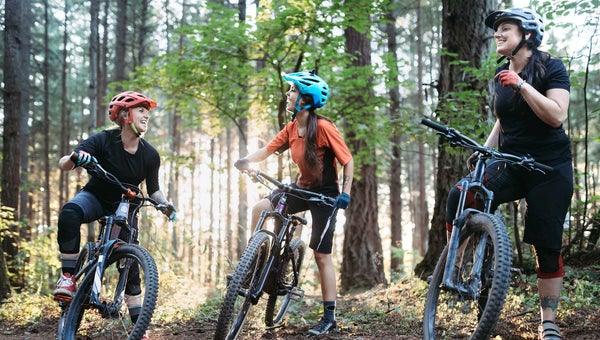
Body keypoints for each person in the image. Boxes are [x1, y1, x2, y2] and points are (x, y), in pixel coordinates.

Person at [445, 8, 572, 340]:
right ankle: (454, 271)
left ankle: (548, 322)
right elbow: (505, 120)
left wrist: (522, 85)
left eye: (505, 29)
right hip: (511, 161)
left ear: (526, 35)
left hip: (550, 167)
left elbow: (556, 116)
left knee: (546, 246)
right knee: (462, 193)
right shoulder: (501, 72)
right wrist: (484, 153)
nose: (497, 34)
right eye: (496, 30)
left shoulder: (551, 67)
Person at [234, 71, 354, 336]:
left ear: (305, 99)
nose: (288, 94)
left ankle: (329, 317)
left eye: (293, 91)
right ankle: (257, 263)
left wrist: (344, 192)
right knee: (260, 208)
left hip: (325, 195)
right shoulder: (291, 128)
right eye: (289, 90)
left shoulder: (323, 127)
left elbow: (348, 160)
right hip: (301, 188)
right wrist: (245, 160)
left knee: (322, 255)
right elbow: (266, 150)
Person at [54, 91, 176, 335]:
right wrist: (75, 157)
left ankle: (138, 326)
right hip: (96, 197)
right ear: (124, 115)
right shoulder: (102, 140)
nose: (146, 116)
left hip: (126, 207)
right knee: (69, 213)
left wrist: (165, 204)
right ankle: (68, 277)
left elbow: (154, 190)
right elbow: (65, 164)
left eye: (148, 112)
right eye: (141, 110)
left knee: (130, 261)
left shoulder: (150, 154)